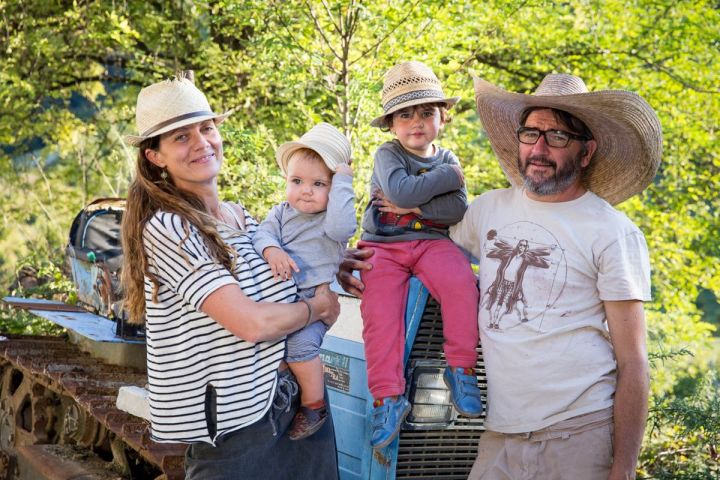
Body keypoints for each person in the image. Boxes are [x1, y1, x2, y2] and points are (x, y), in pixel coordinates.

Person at [339, 72, 661, 479]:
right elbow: (416, 250)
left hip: (578, 433)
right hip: (499, 434)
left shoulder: (613, 232)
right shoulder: (487, 210)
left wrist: (624, 468)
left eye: (557, 136)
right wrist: (353, 259)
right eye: (530, 134)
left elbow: (633, 362)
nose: (539, 148)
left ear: (586, 151)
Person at [121, 72, 340, 480]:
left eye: (206, 128)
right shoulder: (169, 227)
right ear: (155, 156)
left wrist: (342, 265)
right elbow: (252, 323)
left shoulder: (242, 217)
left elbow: (295, 267)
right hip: (238, 427)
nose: (202, 142)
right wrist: (318, 308)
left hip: (298, 405)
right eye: (181, 137)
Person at [359, 61, 482, 450]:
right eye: (405, 115)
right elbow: (400, 191)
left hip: (432, 242)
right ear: (391, 124)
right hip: (383, 246)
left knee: (462, 282)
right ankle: (388, 398)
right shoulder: (388, 154)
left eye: (427, 113)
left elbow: (456, 210)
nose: (416, 122)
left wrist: (414, 207)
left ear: (442, 118)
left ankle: (461, 369)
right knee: (380, 313)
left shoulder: (447, 156)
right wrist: (446, 181)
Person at [253, 122, 356, 440]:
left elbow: (343, 229)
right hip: (280, 298)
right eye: (296, 181)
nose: (306, 190)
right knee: (271, 345)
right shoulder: (281, 212)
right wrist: (271, 250)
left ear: (334, 188)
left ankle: (314, 405)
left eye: (319, 183)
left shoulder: (331, 219)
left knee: (300, 345)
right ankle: (284, 393)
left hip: (315, 297)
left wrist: (343, 182)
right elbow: (262, 233)